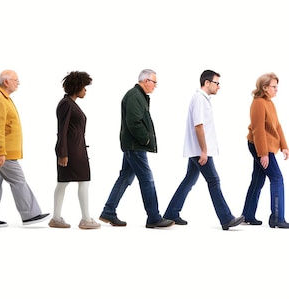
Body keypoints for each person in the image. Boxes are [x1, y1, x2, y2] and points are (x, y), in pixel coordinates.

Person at [163, 70, 244, 230]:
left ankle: (171, 213)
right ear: (207, 83)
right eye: (217, 83)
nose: (219, 87)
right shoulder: (199, 99)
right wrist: (204, 151)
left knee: (189, 180)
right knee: (214, 181)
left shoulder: (202, 99)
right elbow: (199, 126)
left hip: (197, 149)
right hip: (199, 150)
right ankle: (226, 218)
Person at [99, 69, 174, 228]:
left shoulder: (138, 95)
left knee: (125, 178)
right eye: (154, 82)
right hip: (135, 146)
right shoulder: (134, 95)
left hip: (132, 145)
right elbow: (134, 121)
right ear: (146, 81)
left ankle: (108, 211)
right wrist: (145, 139)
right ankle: (154, 217)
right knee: (147, 179)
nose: (155, 86)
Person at [0, 70, 50, 227]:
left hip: (1, 150)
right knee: (18, 179)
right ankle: (30, 214)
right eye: (15, 80)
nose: (18, 83)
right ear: (6, 82)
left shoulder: (3, 98)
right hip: (3, 151)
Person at [50, 71, 100, 229]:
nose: (86, 90)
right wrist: (63, 152)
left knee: (68, 182)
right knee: (72, 182)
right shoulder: (66, 104)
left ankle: (58, 218)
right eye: (84, 87)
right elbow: (62, 129)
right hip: (71, 151)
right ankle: (85, 219)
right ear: (77, 87)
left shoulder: (71, 103)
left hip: (77, 149)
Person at [241, 72, 289, 228]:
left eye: (277, 86)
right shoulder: (258, 103)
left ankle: (247, 215)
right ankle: (277, 218)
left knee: (258, 179)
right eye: (274, 87)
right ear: (264, 87)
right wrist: (263, 154)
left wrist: (284, 146)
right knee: (277, 179)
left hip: (267, 146)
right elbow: (258, 130)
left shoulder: (269, 103)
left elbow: (277, 126)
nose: (276, 90)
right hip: (259, 145)